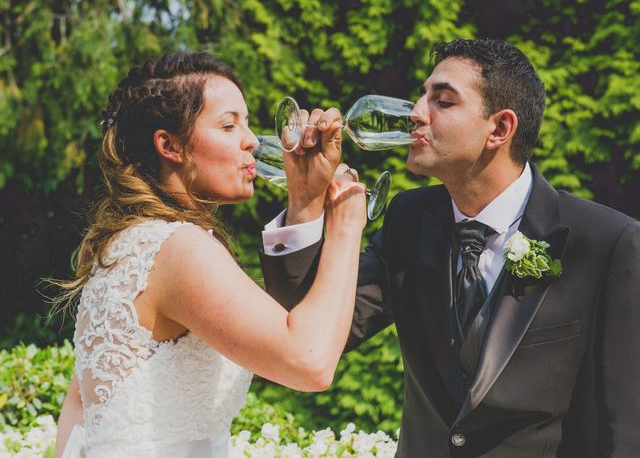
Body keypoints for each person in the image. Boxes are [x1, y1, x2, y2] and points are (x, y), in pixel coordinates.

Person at [259, 38, 640, 457]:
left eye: (442, 101)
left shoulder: (605, 241)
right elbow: (313, 337)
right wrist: (304, 202)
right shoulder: (409, 220)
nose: (417, 114)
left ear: (500, 129)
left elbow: (623, 426)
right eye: (422, 96)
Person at [53, 52, 366, 457]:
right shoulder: (180, 247)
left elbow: (80, 404)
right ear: (170, 145)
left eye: (247, 123)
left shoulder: (123, 246)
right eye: (229, 124)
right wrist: (344, 224)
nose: (251, 140)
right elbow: (309, 362)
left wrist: (304, 201)